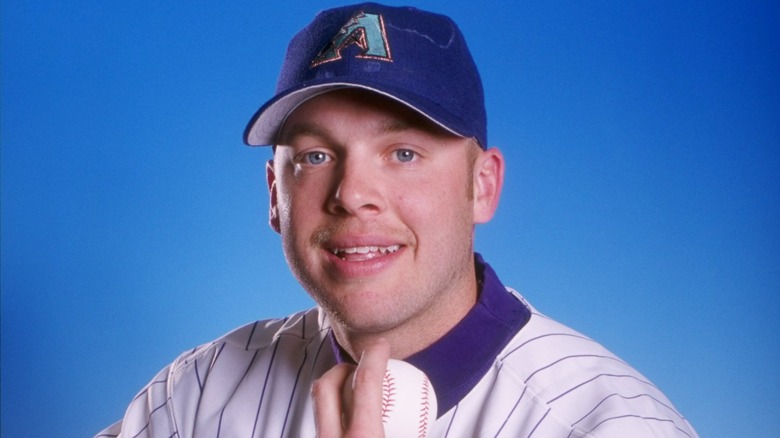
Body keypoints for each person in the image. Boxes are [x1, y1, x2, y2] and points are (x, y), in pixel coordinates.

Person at [96, 3, 698, 437]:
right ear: (275, 195)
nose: (353, 195)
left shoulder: (606, 423)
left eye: (404, 154)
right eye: (315, 156)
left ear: (481, 186)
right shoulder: (199, 395)